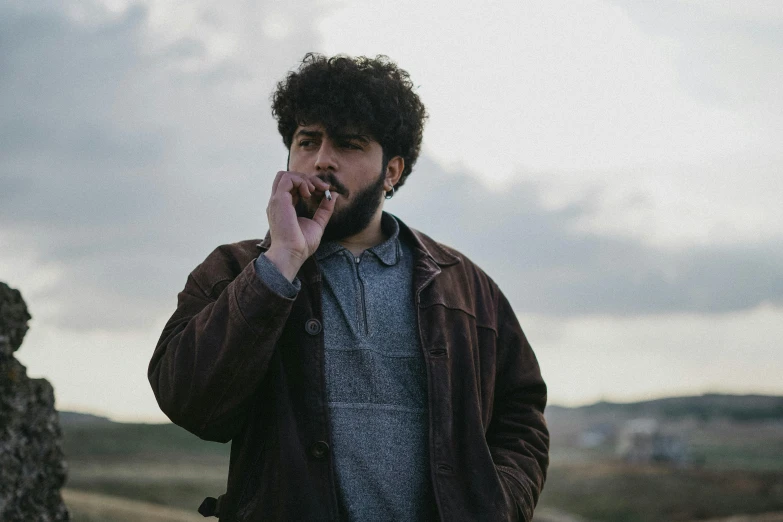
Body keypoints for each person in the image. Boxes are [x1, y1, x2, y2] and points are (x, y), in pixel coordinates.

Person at [148, 53, 549, 522]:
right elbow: (188, 401)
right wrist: (281, 262)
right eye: (307, 141)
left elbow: (521, 414)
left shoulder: (464, 287)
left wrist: (497, 506)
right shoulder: (236, 269)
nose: (322, 160)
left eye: (350, 144)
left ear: (392, 171)